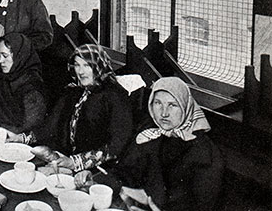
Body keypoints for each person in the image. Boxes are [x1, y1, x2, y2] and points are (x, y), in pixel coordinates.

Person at [75, 77, 224, 211]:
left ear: (186, 107)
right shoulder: (150, 133)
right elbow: (126, 171)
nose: (164, 113)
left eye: (172, 105)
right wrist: (96, 180)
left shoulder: (202, 151)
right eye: (158, 103)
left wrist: (150, 200)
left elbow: (200, 203)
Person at [8, 44, 133, 172]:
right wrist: (23, 138)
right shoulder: (74, 91)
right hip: (64, 160)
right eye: (77, 65)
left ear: (99, 65)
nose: (80, 71)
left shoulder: (115, 96)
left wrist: (76, 162)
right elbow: (50, 125)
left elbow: (117, 145)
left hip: (97, 170)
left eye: (87, 65)